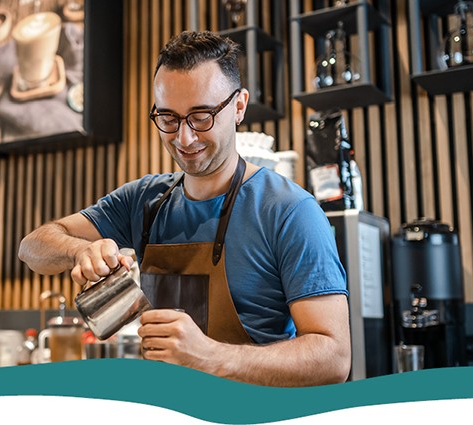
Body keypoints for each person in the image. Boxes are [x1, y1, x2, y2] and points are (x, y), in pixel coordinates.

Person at [18, 31, 350, 387]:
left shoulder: (288, 211)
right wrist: (80, 250)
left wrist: (210, 356)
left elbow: (333, 358)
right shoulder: (143, 200)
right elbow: (32, 247)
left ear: (238, 107)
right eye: (168, 118)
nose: (184, 138)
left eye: (202, 116)